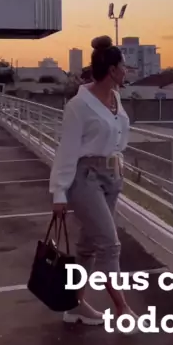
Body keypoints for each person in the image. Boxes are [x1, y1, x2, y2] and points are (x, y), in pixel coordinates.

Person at [50, 35, 135, 325]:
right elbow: (67, 150)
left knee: (88, 246)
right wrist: (59, 192)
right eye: (124, 67)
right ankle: (123, 309)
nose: (126, 71)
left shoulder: (115, 98)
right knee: (110, 245)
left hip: (112, 177)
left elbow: (118, 136)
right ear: (112, 70)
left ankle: (75, 305)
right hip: (86, 178)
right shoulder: (79, 105)